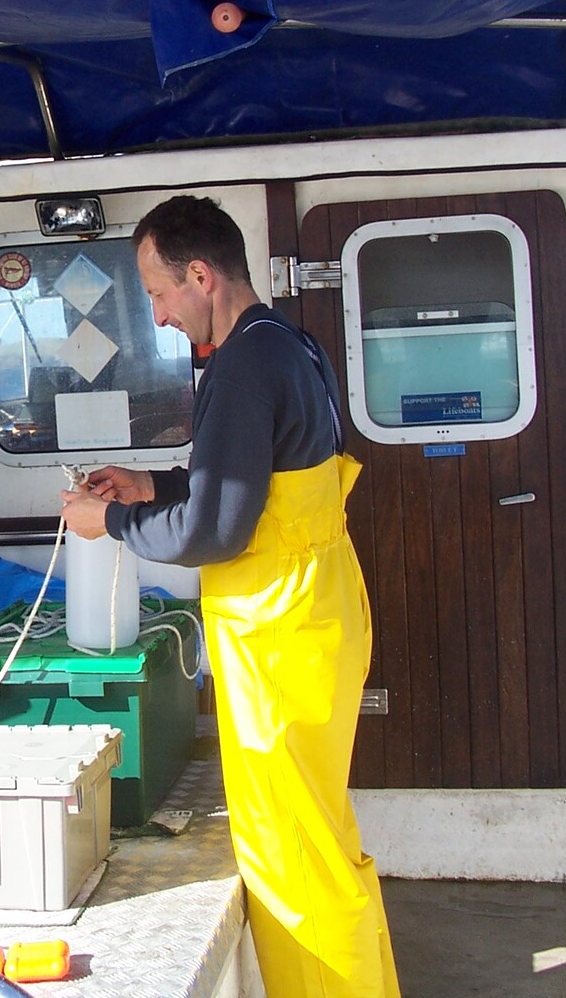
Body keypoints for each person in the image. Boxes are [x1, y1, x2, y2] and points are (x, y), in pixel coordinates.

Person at [61, 195, 400, 998]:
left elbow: (217, 526)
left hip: (280, 638)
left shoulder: (242, 364)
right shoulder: (285, 344)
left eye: (158, 292)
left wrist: (109, 519)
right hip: (315, 617)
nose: (158, 313)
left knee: (295, 859)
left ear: (202, 276)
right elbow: (257, 479)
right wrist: (153, 484)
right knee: (320, 840)